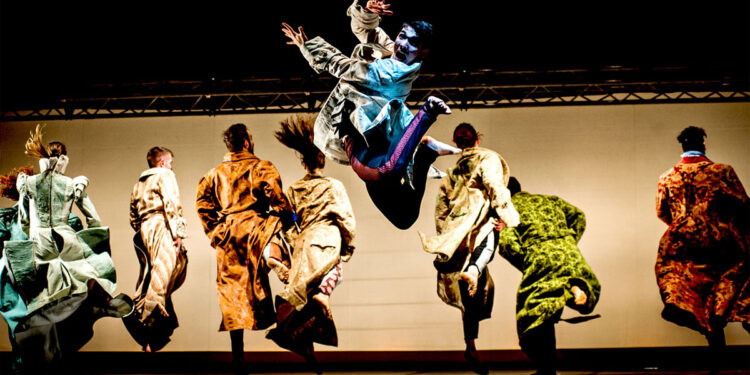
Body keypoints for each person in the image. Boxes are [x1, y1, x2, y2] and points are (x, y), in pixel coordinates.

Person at [282, 0, 459, 229]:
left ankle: (425, 130)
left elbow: (344, 66)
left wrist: (307, 46)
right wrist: (367, 13)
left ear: (424, 52)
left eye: (412, 42)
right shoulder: (394, 53)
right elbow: (370, 33)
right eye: (402, 36)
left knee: (389, 182)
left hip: (364, 138)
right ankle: (425, 152)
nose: (402, 44)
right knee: (404, 218)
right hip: (376, 140)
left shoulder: (389, 73)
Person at [4, 126, 133, 372]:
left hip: (39, 241)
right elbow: (91, 215)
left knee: (37, 296)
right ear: (65, 158)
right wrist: (93, 233)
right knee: (84, 279)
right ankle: (96, 306)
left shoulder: (29, 183)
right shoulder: (72, 183)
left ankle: (36, 344)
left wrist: (29, 234)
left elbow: (23, 218)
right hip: (66, 239)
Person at [418, 123, 519, 374]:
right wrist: (507, 215)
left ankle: (470, 344)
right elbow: (495, 185)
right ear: (477, 139)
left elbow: (441, 210)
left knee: (474, 293)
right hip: (479, 226)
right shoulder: (488, 158)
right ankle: (474, 269)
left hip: (457, 234)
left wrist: (446, 240)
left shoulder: (451, 174)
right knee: (483, 255)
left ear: (456, 141)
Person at [196, 123, 293, 375]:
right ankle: (274, 253)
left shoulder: (213, 174)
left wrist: (215, 231)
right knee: (281, 231)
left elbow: (203, 204)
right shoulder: (261, 167)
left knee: (233, 299)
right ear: (247, 142)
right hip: (257, 229)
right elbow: (274, 193)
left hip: (229, 237)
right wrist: (289, 214)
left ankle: (238, 359)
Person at [265, 114, 356, 373]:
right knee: (332, 277)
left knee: (297, 300)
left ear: (304, 164)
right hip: (328, 240)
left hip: (304, 245)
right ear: (322, 161)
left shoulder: (293, 189)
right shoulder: (334, 186)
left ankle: (307, 348)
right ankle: (323, 298)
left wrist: (294, 243)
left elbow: (287, 221)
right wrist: (347, 247)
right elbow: (346, 219)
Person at [655, 126, 750, 373]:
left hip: (682, 240)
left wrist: (685, 226)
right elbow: (743, 204)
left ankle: (713, 349)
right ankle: (725, 316)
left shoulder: (667, 176)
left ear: (682, 146)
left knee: (690, 289)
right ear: (704, 144)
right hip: (720, 238)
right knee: (733, 281)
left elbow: (662, 212)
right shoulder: (722, 171)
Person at [498, 177, 601, 375]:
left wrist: (528, 261)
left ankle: (546, 369)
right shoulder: (549, 199)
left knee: (530, 320)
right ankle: (574, 289)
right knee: (547, 315)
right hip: (570, 254)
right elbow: (579, 216)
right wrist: (568, 240)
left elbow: (508, 245)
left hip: (540, 261)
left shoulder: (507, 211)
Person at [123, 146, 188, 353]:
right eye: (170, 163)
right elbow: (172, 203)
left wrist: (143, 228)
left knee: (153, 276)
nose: (171, 167)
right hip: (161, 225)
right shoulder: (165, 175)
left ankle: (149, 327)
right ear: (162, 163)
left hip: (144, 230)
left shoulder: (138, 184)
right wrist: (177, 233)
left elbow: (133, 215)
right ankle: (147, 327)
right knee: (162, 276)